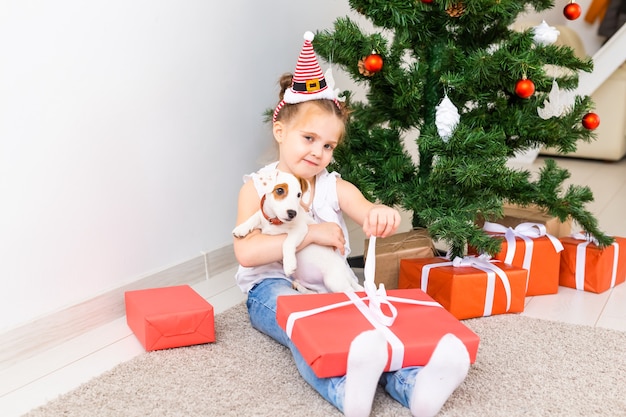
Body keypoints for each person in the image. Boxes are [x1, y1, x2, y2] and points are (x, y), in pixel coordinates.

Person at [233, 31, 470, 417]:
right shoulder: (257, 187)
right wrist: (310, 233)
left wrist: (380, 214)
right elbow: (246, 252)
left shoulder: (332, 186)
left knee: (370, 327)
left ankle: (417, 388)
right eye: (308, 138)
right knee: (306, 330)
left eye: (328, 146)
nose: (318, 152)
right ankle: (345, 392)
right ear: (281, 131)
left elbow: (365, 208)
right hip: (272, 286)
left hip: (332, 284)